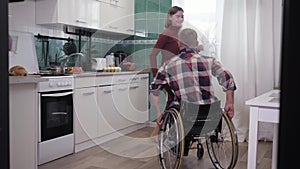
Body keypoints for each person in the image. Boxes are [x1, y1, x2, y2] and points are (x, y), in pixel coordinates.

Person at [149, 28, 237, 155]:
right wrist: (230, 102)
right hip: (210, 114)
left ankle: (179, 144)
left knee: (175, 106)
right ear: (196, 43)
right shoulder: (209, 61)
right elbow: (227, 77)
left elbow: (154, 89)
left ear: (179, 44)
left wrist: (158, 114)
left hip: (185, 116)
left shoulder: (168, 65)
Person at [149, 6, 184, 137]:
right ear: (170, 17)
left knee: (174, 100)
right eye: (178, 16)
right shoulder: (166, 34)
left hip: (179, 73)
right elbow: (153, 54)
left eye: (182, 16)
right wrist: (155, 75)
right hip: (167, 74)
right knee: (174, 99)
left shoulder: (181, 34)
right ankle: (164, 130)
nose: (181, 19)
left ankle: (162, 129)